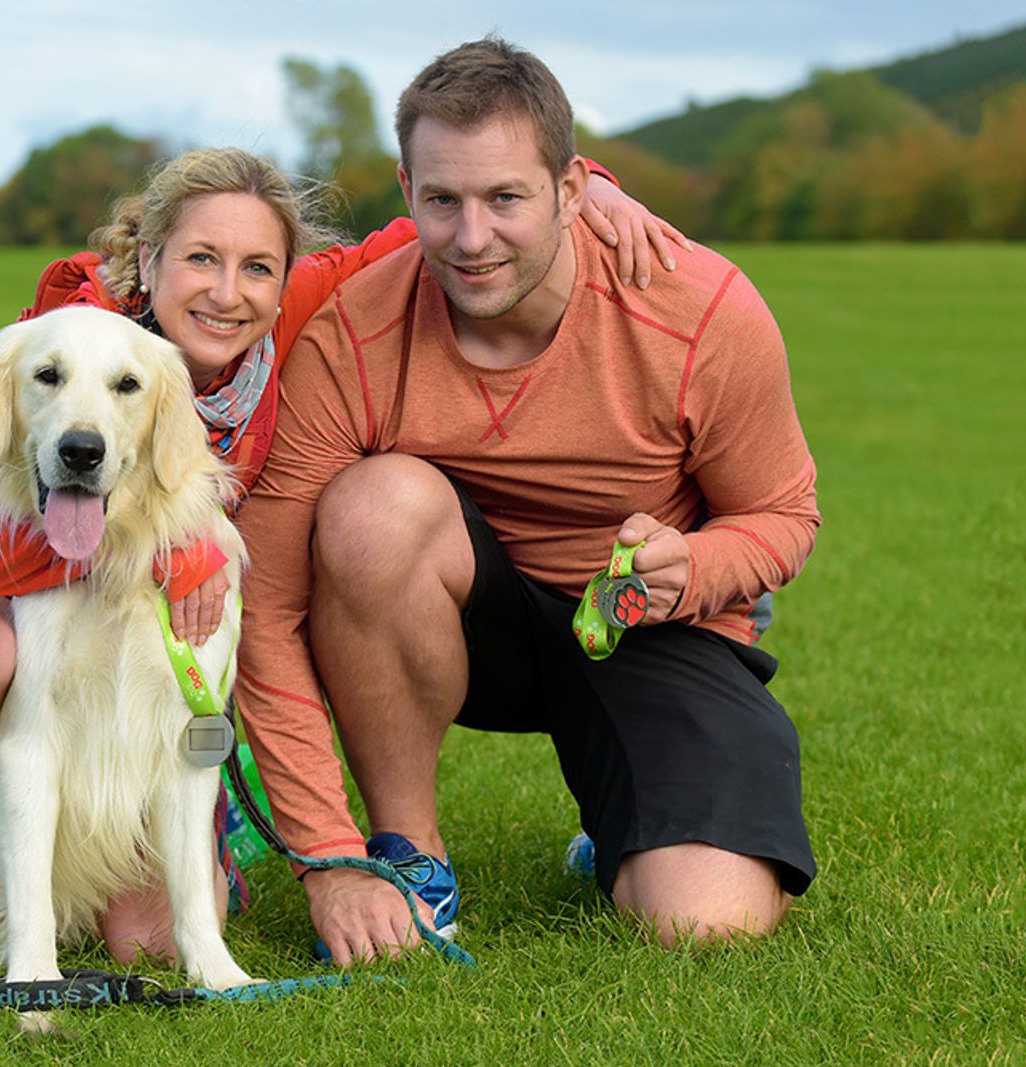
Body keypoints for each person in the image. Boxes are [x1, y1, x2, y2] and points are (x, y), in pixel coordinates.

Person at [0, 144, 683, 975]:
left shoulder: (280, 313)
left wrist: (588, 193)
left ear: (286, 279)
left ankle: (189, 854)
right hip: (31, 610)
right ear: (147, 261)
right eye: (199, 260)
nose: (227, 293)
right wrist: (161, 549)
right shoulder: (60, 350)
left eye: (255, 268)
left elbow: (421, 229)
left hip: (163, 674)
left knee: (147, 940)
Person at [230, 36, 820, 963]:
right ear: (407, 190)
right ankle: (408, 856)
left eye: (506, 197)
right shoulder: (354, 334)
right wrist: (328, 855)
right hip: (471, 618)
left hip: (645, 618)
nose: (472, 239)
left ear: (575, 190)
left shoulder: (703, 309)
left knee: (705, 922)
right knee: (373, 504)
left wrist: (691, 566)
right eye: (443, 200)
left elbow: (785, 517)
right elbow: (263, 602)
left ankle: (623, 821)